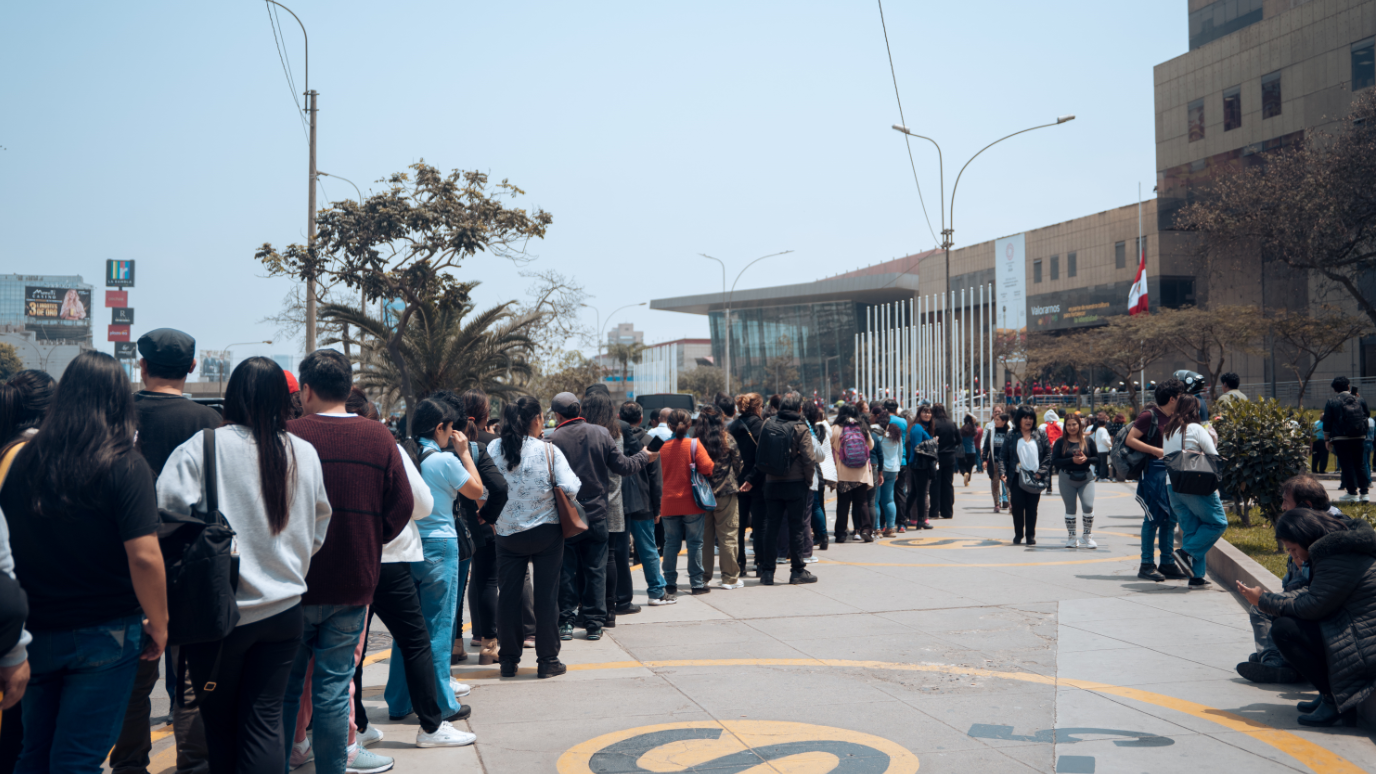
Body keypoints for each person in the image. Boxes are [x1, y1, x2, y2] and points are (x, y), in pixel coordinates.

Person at [156, 357, 332, 773]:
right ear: (282, 400)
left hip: (219, 618)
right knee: (265, 724)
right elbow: (320, 524)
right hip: (285, 611)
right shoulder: (303, 453)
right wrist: (290, 560)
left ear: (233, 395)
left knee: (219, 726)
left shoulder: (204, 446)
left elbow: (163, 513)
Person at [0, 352, 167, 772]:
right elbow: (145, 556)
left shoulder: (23, 461)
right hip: (106, 630)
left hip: (36, 629)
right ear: (119, 400)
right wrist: (159, 623)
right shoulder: (125, 465)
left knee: (35, 750)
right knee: (78, 758)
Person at [282, 349, 414, 774]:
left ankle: (285, 759)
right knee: (335, 687)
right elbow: (402, 503)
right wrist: (370, 540)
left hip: (296, 580)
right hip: (355, 580)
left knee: (287, 687)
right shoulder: (378, 437)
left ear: (306, 389)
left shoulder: (289, 435)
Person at [112, 329, 222, 774]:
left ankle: (129, 765)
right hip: (195, 565)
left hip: (128, 565)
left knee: (134, 680)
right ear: (192, 368)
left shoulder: (117, 418)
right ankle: (194, 766)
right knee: (194, 679)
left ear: (142, 366)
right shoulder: (210, 424)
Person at [347, 389, 474, 750]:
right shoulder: (385, 444)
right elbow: (424, 503)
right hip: (398, 554)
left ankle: (359, 723)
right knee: (419, 637)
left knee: (348, 648)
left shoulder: (305, 439)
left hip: (340, 560)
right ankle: (435, 721)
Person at [382, 398, 483, 737]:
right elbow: (477, 491)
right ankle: (441, 704)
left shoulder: (405, 455)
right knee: (438, 630)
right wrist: (465, 452)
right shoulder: (444, 461)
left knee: (407, 630)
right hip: (441, 545)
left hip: (409, 548)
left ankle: (398, 701)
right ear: (439, 428)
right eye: (450, 428)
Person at [1237, 509, 1376, 727]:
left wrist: (1264, 601)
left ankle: (1334, 701)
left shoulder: (1337, 556)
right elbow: (1316, 595)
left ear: (1305, 538)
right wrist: (1268, 600)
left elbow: (1313, 606)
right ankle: (1329, 696)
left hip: (1364, 642)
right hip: (1353, 627)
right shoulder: (1338, 548)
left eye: (1293, 549)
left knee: (1284, 630)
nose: (1294, 555)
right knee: (1282, 619)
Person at [548, 392, 651, 640]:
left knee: (567, 571)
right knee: (596, 569)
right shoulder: (601, 433)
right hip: (597, 515)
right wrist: (644, 456)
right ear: (578, 409)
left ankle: (566, 623)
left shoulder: (553, 439)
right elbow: (624, 466)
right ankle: (595, 624)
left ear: (558, 415)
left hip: (567, 517)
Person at [489, 397, 578, 678]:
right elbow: (571, 486)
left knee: (508, 596)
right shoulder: (547, 451)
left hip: (507, 533)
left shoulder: (493, 448)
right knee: (546, 595)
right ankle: (548, 660)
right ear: (537, 420)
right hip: (546, 532)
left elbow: (481, 490)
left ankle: (508, 660)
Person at [1236, 475, 1348, 685]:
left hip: (1334, 618)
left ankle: (1275, 660)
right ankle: (1275, 658)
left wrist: (1268, 601)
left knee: (1266, 609)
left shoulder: (1329, 533)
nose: (1283, 507)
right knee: (1267, 606)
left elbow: (1316, 592)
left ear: (1306, 505)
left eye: (1286, 502)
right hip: (1316, 602)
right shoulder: (1310, 526)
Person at [0, 370, 50, 773]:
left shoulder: (6, 451)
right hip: (21, 614)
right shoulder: (33, 455)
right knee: (21, 735)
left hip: (15, 610)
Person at [754, 393, 823, 585]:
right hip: (796, 484)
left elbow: (760, 453)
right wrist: (808, 480)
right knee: (797, 527)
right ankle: (797, 571)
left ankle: (767, 572)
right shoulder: (800, 427)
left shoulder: (768, 423)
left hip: (771, 483)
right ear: (799, 409)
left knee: (772, 526)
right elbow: (809, 459)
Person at [580, 391, 635, 625]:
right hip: (614, 501)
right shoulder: (616, 434)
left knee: (588, 562)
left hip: (589, 504)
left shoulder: (587, 434)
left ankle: (589, 608)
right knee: (610, 557)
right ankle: (610, 610)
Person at [1160, 393, 1227, 586]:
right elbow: (1213, 455)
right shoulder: (1196, 429)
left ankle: (1196, 576)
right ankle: (1185, 553)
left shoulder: (1168, 430)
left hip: (1172, 485)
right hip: (1194, 484)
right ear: (1195, 410)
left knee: (1191, 529)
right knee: (1218, 523)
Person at [1127, 379, 1188, 582]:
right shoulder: (1150, 415)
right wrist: (1156, 451)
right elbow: (1131, 439)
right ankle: (1146, 564)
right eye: (1181, 396)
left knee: (1170, 518)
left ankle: (1167, 562)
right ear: (1172, 398)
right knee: (1153, 518)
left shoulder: (1176, 417)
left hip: (1171, 472)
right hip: (1153, 470)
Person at [655, 409, 714, 595]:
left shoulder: (660, 447)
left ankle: (669, 583)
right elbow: (707, 467)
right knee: (695, 543)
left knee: (670, 543)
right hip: (693, 502)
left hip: (668, 503)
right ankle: (696, 583)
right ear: (689, 425)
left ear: (669, 425)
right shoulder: (694, 444)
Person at [618, 402, 669, 605]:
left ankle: (620, 596)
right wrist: (658, 508)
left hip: (619, 502)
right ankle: (656, 592)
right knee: (648, 549)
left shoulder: (613, 439)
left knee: (620, 552)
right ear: (641, 419)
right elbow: (656, 479)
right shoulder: (650, 441)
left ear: (620, 416)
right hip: (644, 502)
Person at [695, 405, 743, 589]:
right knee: (728, 535)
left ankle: (703, 576)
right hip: (726, 493)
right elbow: (739, 463)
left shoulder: (696, 441)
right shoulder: (727, 438)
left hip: (702, 495)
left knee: (705, 539)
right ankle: (729, 578)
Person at [1000, 405, 1050, 545]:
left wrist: (1041, 472)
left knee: (1032, 507)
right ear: (1019, 419)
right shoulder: (1011, 435)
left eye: (1030, 418)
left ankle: (1030, 535)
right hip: (1017, 477)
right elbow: (1003, 456)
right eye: (1025, 418)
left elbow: (1047, 455)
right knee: (1017, 505)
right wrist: (1002, 472)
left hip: (1035, 477)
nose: (1028, 421)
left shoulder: (1040, 434)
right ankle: (1018, 534)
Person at [728, 394, 766, 576]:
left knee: (739, 526)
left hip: (737, 482)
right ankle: (760, 563)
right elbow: (763, 457)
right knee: (760, 525)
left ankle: (740, 564)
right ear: (758, 407)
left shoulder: (732, 427)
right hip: (757, 482)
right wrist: (751, 479)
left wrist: (742, 479)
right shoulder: (761, 426)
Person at [1052, 414, 1098, 549]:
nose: (1072, 427)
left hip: (1086, 478)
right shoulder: (1060, 442)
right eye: (1069, 425)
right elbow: (1055, 461)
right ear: (1065, 426)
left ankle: (1087, 536)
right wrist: (1071, 460)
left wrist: (1086, 459)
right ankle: (1072, 537)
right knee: (1070, 508)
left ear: (1080, 425)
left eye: (1074, 424)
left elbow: (1097, 458)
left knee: (1088, 506)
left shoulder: (1088, 440)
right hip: (1066, 478)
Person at [1323, 376, 1371, 502]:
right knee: (1360, 464)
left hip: (1340, 437)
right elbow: (1367, 414)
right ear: (1348, 386)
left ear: (1335, 390)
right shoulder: (1359, 399)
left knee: (1347, 465)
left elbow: (1327, 421)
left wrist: (1327, 439)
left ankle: (1352, 493)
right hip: (1359, 436)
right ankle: (1365, 493)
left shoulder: (1332, 401)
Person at [832, 403, 876, 542]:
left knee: (843, 504)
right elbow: (871, 446)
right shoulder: (862, 428)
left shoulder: (836, 429)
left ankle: (840, 534)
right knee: (862, 502)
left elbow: (829, 444)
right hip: (860, 472)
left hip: (843, 473)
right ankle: (867, 530)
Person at [803, 401, 834, 549]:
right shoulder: (822, 429)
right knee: (818, 506)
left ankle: (816, 535)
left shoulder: (805, 429)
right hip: (822, 471)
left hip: (810, 471)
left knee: (811, 506)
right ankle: (823, 536)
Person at [872, 410, 902, 537]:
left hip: (880, 470)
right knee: (889, 500)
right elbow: (900, 453)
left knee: (876, 500)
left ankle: (877, 529)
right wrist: (898, 469)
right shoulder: (896, 433)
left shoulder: (876, 433)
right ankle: (890, 528)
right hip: (893, 469)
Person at [906, 406, 935, 528]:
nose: (927, 414)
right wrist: (933, 443)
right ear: (919, 413)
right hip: (919, 464)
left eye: (929, 412)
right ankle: (921, 521)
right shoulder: (918, 427)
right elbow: (918, 447)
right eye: (924, 412)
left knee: (914, 493)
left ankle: (901, 517)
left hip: (920, 464)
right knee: (921, 494)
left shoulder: (925, 427)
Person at [929, 405, 961, 519]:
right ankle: (947, 511)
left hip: (937, 456)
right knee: (948, 484)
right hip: (950, 456)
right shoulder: (951, 423)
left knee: (935, 484)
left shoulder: (933, 423)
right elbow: (959, 440)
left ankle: (934, 511)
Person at [981, 412, 1011, 513]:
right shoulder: (991, 431)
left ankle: (1011, 503)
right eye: (995, 419)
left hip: (1006, 463)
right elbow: (986, 446)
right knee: (995, 484)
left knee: (1008, 483)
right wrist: (984, 459)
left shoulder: (1010, 431)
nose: (995, 421)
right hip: (995, 462)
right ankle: (997, 504)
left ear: (1004, 421)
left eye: (997, 420)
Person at [959, 415, 979, 487]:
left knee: (962, 464)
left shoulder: (961, 429)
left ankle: (964, 473)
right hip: (972, 450)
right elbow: (976, 435)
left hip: (963, 451)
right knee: (970, 466)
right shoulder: (974, 428)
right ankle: (968, 479)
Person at [1091, 416, 1112, 483]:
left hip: (1098, 449)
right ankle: (1102, 477)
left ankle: (1099, 476)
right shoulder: (1104, 430)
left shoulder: (1098, 429)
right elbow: (1104, 439)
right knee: (1104, 464)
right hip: (1103, 449)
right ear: (1105, 423)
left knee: (1100, 464)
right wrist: (1110, 444)